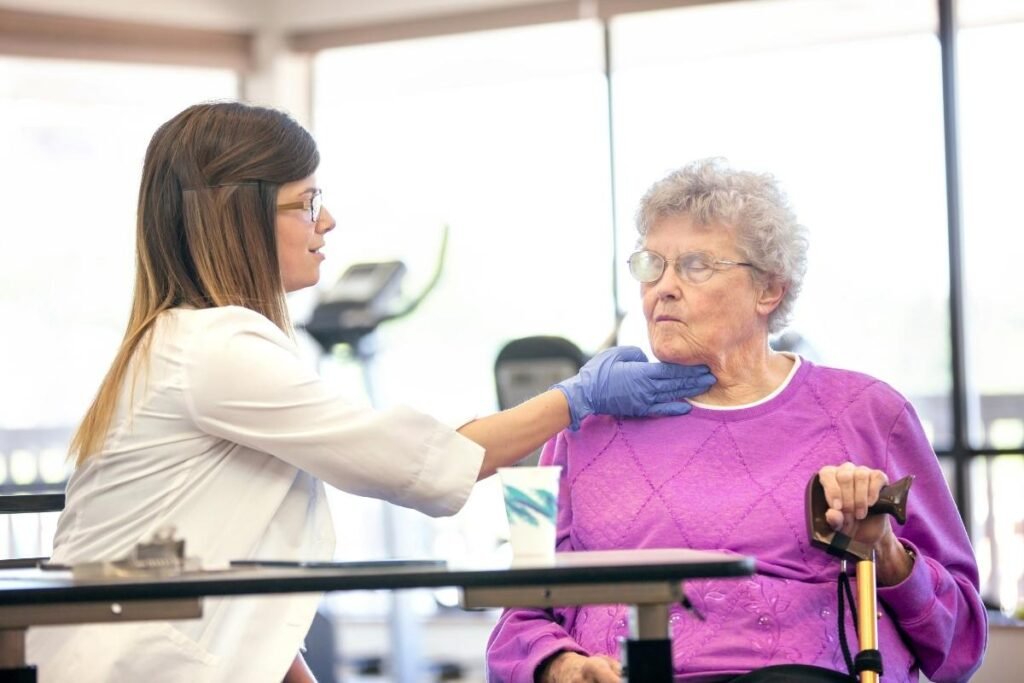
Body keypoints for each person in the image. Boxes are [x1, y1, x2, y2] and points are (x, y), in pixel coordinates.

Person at [25, 102, 717, 683]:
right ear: (241, 216)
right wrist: (574, 397)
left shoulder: (183, 341)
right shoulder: (217, 348)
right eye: (308, 202)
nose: (326, 224)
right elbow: (410, 462)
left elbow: (229, 558)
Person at [486, 159, 987, 683]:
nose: (663, 288)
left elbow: (962, 645)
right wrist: (561, 668)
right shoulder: (582, 428)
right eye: (651, 265)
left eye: (696, 265)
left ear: (768, 290)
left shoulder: (869, 413)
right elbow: (518, 619)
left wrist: (883, 550)